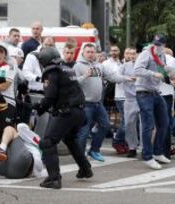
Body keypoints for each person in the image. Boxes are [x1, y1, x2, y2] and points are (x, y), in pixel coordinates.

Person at [31, 47, 93, 189]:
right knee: (69, 139)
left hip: (67, 112)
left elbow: (50, 97)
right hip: (80, 112)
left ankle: (54, 179)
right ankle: (85, 168)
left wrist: (38, 106)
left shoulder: (51, 72)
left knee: (47, 142)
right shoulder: (66, 68)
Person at [74, 43, 134, 162]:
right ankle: (80, 157)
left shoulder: (99, 66)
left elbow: (112, 77)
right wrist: (85, 76)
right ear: (83, 53)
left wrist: (126, 78)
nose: (91, 54)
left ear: (96, 53)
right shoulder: (78, 66)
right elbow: (73, 83)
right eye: (88, 52)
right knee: (84, 131)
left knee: (105, 125)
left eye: (93, 52)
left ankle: (94, 150)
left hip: (98, 103)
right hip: (85, 104)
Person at [134, 34, 174, 169]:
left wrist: (169, 75)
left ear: (164, 45)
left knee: (164, 123)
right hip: (143, 93)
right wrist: (153, 74)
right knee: (148, 126)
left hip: (156, 93)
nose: (157, 47)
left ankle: (157, 152)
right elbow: (137, 70)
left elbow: (162, 72)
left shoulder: (161, 56)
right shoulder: (146, 53)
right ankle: (147, 156)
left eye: (160, 45)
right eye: (155, 44)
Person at [103, 45, 127, 154]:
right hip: (113, 94)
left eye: (116, 50)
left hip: (125, 94)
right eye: (112, 50)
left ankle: (121, 141)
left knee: (123, 120)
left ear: (119, 51)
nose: (114, 52)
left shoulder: (121, 63)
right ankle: (117, 140)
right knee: (121, 120)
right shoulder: (106, 64)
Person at [120, 47, 139, 158]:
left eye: (134, 54)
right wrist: (127, 78)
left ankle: (146, 148)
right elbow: (116, 77)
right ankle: (132, 147)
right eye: (129, 54)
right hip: (129, 99)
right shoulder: (124, 66)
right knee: (129, 124)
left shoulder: (143, 65)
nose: (131, 56)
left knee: (145, 125)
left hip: (142, 97)